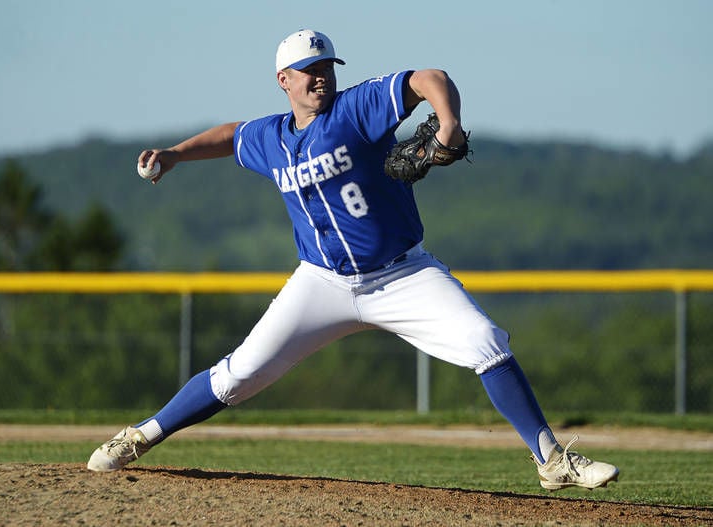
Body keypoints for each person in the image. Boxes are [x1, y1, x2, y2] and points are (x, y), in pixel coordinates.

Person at [87, 29, 619, 490]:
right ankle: (141, 435)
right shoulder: (272, 137)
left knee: (485, 341)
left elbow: (428, 77)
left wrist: (448, 119)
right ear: (284, 81)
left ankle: (552, 461)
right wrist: (176, 155)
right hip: (320, 283)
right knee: (237, 377)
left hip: (402, 274)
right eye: (308, 70)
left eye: (326, 68)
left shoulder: (356, 109)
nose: (320, 77)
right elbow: (232, 136)